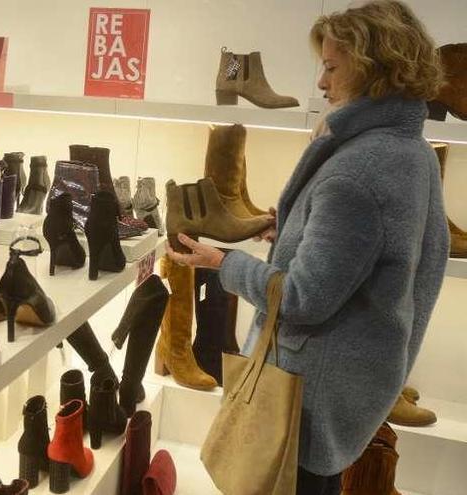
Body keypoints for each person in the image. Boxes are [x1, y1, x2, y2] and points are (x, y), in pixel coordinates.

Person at [167, 1, 448, 494]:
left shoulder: (357, 171)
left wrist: (224, 263)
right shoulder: (413, 152)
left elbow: (302, 300)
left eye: (332, 67)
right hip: (351, 387)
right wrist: (298, 231)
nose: (321, 83)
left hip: (307, 400)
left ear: (372, 69)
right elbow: (405, 259)